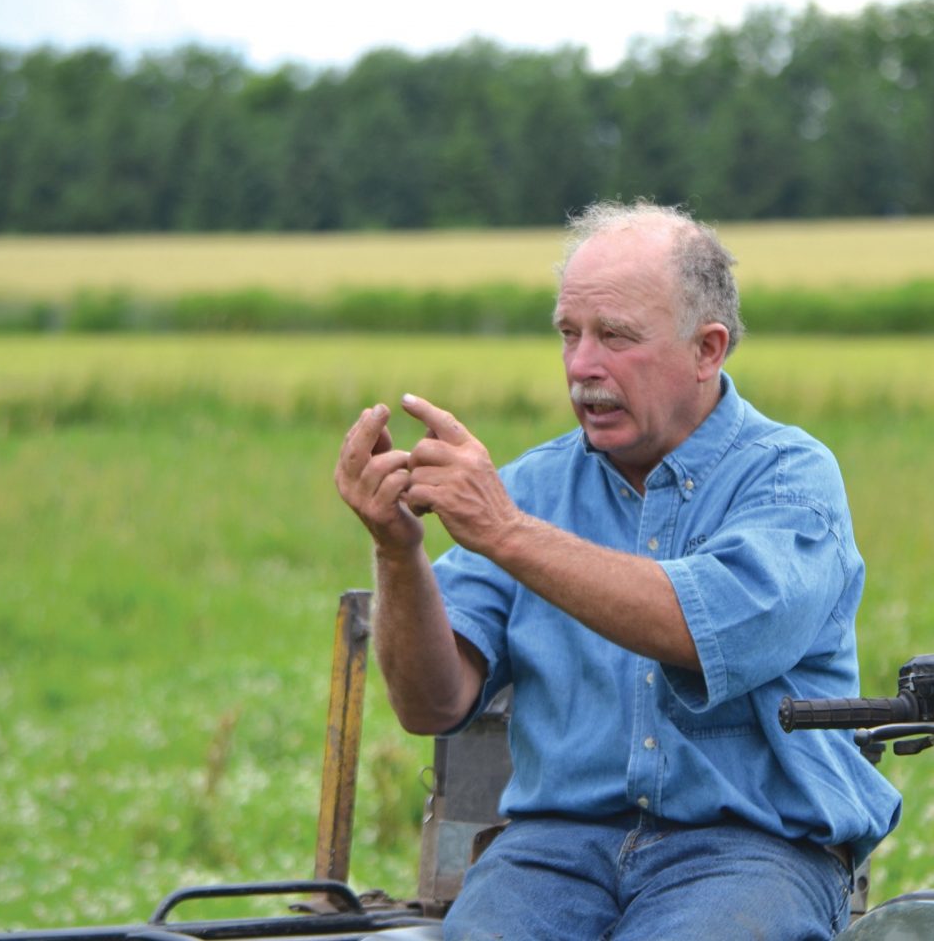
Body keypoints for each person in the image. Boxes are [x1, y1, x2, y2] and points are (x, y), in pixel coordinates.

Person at [335, 200, 900, 940]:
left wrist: (505, 531)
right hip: (551, 852)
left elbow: (699, 629)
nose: (582, 366)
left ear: (708, 349)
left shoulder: (789, 480)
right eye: (569, 334)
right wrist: (397, 551)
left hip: (750, 852)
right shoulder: (533, 490)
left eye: (615, 337)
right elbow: (430, 707)